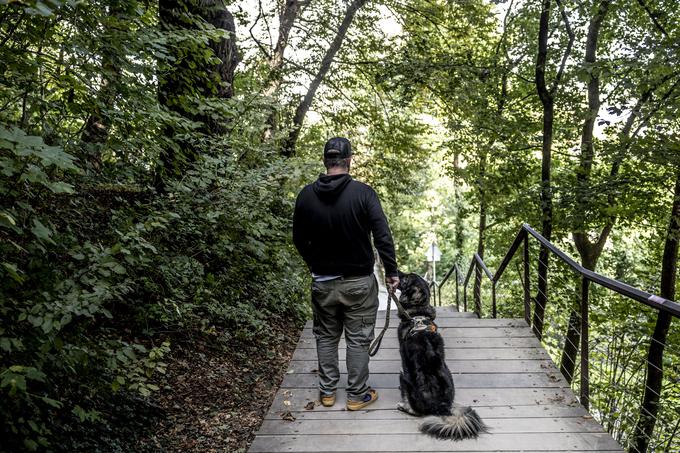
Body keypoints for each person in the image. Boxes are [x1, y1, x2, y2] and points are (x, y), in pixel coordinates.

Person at [293, 136, 399, 411]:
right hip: (359, 284)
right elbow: (382, 236)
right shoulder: (364, 194)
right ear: (349, 161)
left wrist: (314, 263)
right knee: (358, 338)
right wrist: (391, 272)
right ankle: (356, 395)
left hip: (322, 283)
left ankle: (327, 393)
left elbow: (298, 239)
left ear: (325, 161)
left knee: (326, 336)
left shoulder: (305, 196)